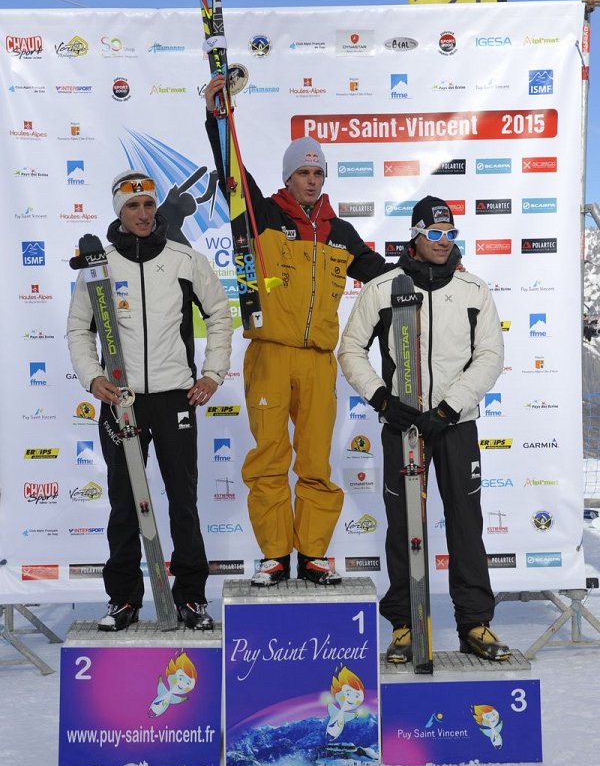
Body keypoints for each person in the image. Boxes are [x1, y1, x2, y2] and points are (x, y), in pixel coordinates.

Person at [205, 74, 394, 587]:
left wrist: (442, 266)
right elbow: (232, 175)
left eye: (317, 172)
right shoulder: (261, 215)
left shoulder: (339, 232)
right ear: (288, 178)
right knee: (269, 458)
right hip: (269, 352)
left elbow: (381, 273)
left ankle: (311, 555)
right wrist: (219, 117)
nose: (311, 180)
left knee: (315, 460)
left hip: (317, 361)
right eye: (303, 172)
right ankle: (273, 555)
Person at [338, 195, 509, 661]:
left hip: (455, 425)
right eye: (434, 233)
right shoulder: (385, 288)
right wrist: (381, 399)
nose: (443, 242)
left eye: (449, 233)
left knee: (466, 524)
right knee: (403, 526)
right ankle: (405, 624)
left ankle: (474, 624)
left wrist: (450, 408)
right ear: (415, 235)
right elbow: (350, 349)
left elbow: (490, 356)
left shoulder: (473, 290)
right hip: (405, 426)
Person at [67, 169, 232, 631]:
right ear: (118, 211)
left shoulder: (185, 259)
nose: (142, 213)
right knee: (123, 500)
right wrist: (92, 377)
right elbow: (79, 328)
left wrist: (213, 374)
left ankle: (192, 598)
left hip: (174, 396)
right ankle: (123, 599)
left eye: (147, 204)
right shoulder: (99, 264)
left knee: (184, 499)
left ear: (156, 207)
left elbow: (220, 315)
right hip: (120, 399)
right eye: (131, 206)